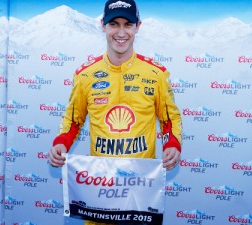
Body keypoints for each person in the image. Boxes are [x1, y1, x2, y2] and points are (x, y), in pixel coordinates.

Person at [49, 0, 182, 224]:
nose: (121, 32)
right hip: (99, 188)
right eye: (114, 24)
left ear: (137, 27)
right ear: (103, 26)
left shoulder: (156, 74)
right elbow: (73, 120)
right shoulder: (85, 75)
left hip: (139, 188)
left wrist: (172, 144)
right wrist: (62, 141)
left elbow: (169, 118)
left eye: (127, 25)